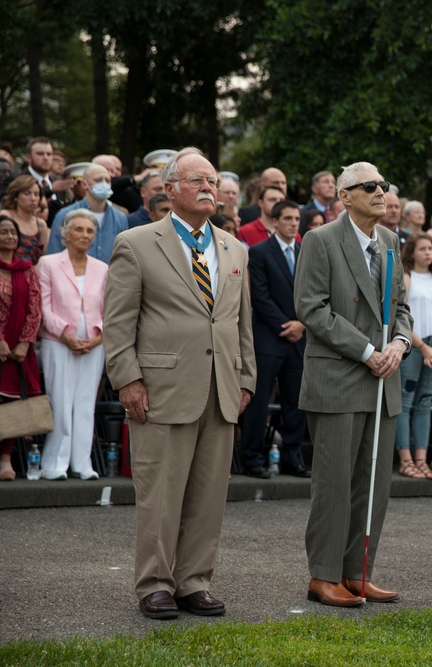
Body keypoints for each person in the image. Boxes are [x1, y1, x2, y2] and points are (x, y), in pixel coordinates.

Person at [103, 147, 256, 620]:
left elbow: (240, 322)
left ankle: (194, 582)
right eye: (197, 180)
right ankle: (154, 584)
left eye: (212, 180)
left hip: (221, 389)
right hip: (162, 389)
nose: (209, 187)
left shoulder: (235, 248)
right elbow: (117, 322)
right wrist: (127, 380)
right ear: (169, 189)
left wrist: (246, 377)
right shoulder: (137, 243)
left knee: (208, 495)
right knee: (161, 495)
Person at [294, 162, 411, 608]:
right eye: (370, 186)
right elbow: (312, 308)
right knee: (334, 484)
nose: (381, 191)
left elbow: (400, 306)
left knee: (374, 484)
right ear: (343, 196)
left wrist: (399, 343)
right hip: (339, 376)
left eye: (384, 184)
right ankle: (323, 576)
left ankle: (357, 573)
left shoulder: (390, 241)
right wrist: (367, 350)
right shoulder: (321, 240)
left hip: (384, 377)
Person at [238, 200, 310, 479]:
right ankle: (252, 458)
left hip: (299, 338)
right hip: (269, 338)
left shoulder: (306, 252)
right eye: (288, 218)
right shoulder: (258, 252)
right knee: (258, 403)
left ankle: (293, 458)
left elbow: (314, 293)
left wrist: (302, 325)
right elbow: (260, 295)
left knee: (296, 402)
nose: (294, 223)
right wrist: (287, 325)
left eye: (297, 218)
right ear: (275, 221)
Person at [35, 210, 108, 480]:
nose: (85, 235)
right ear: (65, 234)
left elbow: (108, 309)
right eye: (79, 230)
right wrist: (65, 335)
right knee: (61, 402)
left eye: (90, 231)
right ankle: (54, 463)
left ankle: (82, 463)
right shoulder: (48, 263)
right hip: (58, 342)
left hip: (93, 342)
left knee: (86, 401)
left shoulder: (102, 268)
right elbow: (43, 306)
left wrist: (98, 337)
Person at [0, 217, 42, 482]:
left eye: (13, 232)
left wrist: (25, 341)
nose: (10, 236)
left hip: (20, 348)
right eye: (3, 232)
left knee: (15, 402)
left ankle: (6, 458)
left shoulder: (27, 269)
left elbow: (35, 308)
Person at [395, 233, 432, 479]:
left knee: (425, 403)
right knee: (405, 402)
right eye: (422, 249)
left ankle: (421, 460)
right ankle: (405, 460)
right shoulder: (407, 278)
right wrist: (422, 347)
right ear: (412, 252)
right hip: (413, 345)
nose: (428, 253)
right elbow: (400, 316)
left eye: (430, 248)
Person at [48, 164, 128, 264]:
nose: (104, 184)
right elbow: (54, 253)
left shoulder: (120, 218)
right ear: (84, 184)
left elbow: (123, 256)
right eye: (98, 180)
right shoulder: (65, 215)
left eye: (107, 181)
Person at [0, 175, 49, 264]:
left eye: (36, 194)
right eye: (27, 193)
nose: (33, 198)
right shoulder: (6, 216)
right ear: (16, 196)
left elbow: (44, 257)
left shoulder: (41, 224)